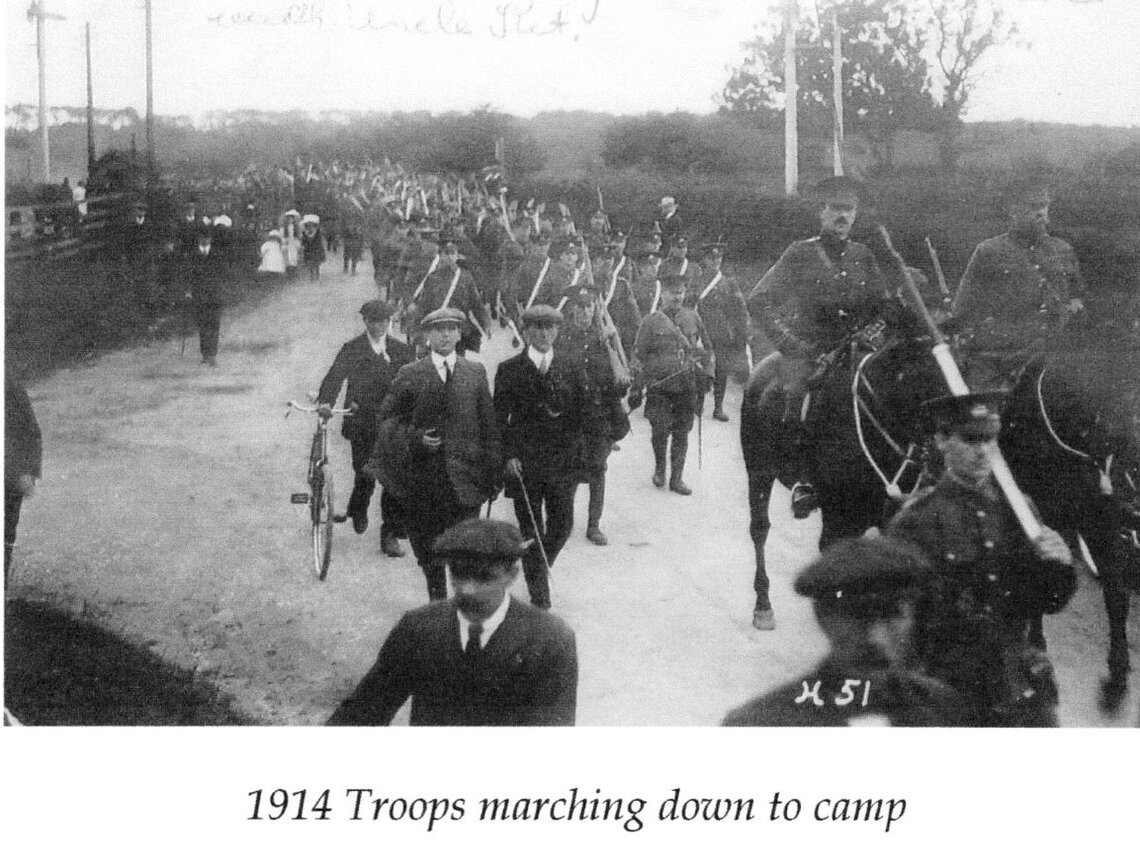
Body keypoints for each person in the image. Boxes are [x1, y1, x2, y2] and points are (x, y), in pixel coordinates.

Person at [887, 392, 1078, 727]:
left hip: (1015, 683)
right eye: (971, 440)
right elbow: (897, 625)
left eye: (990, 440)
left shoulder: (1020, 511)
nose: (982, 451)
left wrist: (1059, 566)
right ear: (942, 441)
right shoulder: (916, 520)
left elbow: (1048, 601)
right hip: (945, 689)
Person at [326, 518, 577, 726]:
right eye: (458, 574)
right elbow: (363, 711)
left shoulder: (549, 640)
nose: (467, 589)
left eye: (483, 577)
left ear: (511, 575)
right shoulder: (418, 629)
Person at [746, 175, 891, 516]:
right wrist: (790, 344)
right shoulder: (799, 253)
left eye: (850, 209)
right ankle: (803, 478)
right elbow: (759, 300)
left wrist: (872, 334)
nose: (843, 216)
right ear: (821, 212)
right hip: (809, 352)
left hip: (856, 351)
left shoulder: (864, 256)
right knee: (798, 397)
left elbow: (884, 307)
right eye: (836, 209)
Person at [723, 537, 970, 727]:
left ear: (911, 615)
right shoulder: (762, 725)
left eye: (891, 615)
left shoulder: (944, 708)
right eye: (858, 617)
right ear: (823, 618)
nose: (875, 637)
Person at [370, 308, 501, 601]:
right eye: (438, 329)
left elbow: (488, 426)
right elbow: (386, 420)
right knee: (429, 554)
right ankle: (437, 604)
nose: (444, 335)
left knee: (464, 552)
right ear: (426, 335)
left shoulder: (474, 372)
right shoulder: (411, 374)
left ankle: (460, 612)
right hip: (424, 483)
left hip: (466, 483)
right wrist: (415, 438)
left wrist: (494, 474)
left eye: (451, 328)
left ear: (459, 334)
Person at [951, 180, 1086, 390]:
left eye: (1044, 205)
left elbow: (1077, 297)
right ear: (1012, 210)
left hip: (1049, 361)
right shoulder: (989, 251)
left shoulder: (1063, 250)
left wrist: (1073, 307)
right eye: (1033, 206)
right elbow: (963, 309)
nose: (1041, 212)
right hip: (999, 361)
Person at [493, 305, 586, 609]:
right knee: (531, 529)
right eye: (537, 328)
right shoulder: (509, 370)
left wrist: (582, 453)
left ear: (558, 331)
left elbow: (582, 415)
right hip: (525, 466)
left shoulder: (571, 366)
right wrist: (508, 456)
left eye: (550, 328)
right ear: (527, 332)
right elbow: (499, 420)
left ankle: (538, 567)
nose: (544, 334)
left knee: (562, 524)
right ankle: (539, 596)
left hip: (562, 463)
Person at [318, 300, 415, 556]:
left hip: (393, 425)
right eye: (374, 321)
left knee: (393, 479)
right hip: (361, 421)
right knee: (365, 472)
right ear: (365, 322)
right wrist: (326, 402)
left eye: (384, 321)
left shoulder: (402, 351)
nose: (380, 326)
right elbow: (335, 377)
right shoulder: (353, 349)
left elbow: (415, 385)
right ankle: (358, 507)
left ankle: (390, 534)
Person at [556, 286, 631, 545]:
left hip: (598, 416)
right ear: (572, 310)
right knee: (571, 470)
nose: (585, 312)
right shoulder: (561, 339)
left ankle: (593, 525)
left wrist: (623, 386)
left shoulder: (604, 339)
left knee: (598, 469)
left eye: (589, 307)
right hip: (570, 418)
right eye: (580, 307)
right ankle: (563, 520)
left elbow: (616, 378)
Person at [633, 273, 710, 495]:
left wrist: (708, 374)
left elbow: (708, 349)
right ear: (663, 294)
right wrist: (641, 384)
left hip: (686, 386)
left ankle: (677, 478)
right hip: (659, 387)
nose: (677, 296)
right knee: (660, 429)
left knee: (682, 431)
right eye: (672, 292)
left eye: (681, 292)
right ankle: (660, 469)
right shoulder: (651, 321)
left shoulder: (693, 317)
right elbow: (638, 355)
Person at [694, 242, 751, 422]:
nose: (716, 261)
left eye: (718, 258)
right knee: (699, 368)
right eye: (712, 258)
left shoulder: (729, 283)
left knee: (721, 370)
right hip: (699, 332)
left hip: (721, 334)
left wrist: (743, 331)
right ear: (704, 260)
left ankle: (718, 407)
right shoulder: (696, 281)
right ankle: (698, 404)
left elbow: (740, 309)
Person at [411, 237, 490, 355]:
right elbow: (424, 305)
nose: (450, 257)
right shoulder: (433, 278)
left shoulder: (465, 277)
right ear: (441, 256)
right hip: (438, 326)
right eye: (446, 254)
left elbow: (476, 303)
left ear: (457, 256)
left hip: (458, 328)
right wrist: (417, 329)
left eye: (453, 253)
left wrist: (486, 324)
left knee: (458, 363)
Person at [5, 374, 42, 581]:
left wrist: (27, 471)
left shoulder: (10, 384)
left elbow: (31, 430)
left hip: (10, 476)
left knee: (6, 536)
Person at [183, 228, 225, 367]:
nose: (205, 240)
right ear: (198, 239)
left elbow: (223, 274)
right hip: (199, 294)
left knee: (214, 324)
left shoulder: (217, 254)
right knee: (203, 324)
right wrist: (188, 291)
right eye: (202, 237)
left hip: (214, 295)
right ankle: (205, 354)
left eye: (207, 237)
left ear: (211, 239)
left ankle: (212, 355)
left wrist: (222, 290)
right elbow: (188, 274)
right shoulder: (193, 255)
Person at [300, 215, 326, 281]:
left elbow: (319, 241)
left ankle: (317, 273)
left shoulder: (317, 231)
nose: (309, 226)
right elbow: (303, 241)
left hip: (316, 249)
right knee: (310, 263)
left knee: (316, 262)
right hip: (308, 249)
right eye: (308, 224)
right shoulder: (304, 232)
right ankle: (312, 275)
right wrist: (305, 243)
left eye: (311, 224)